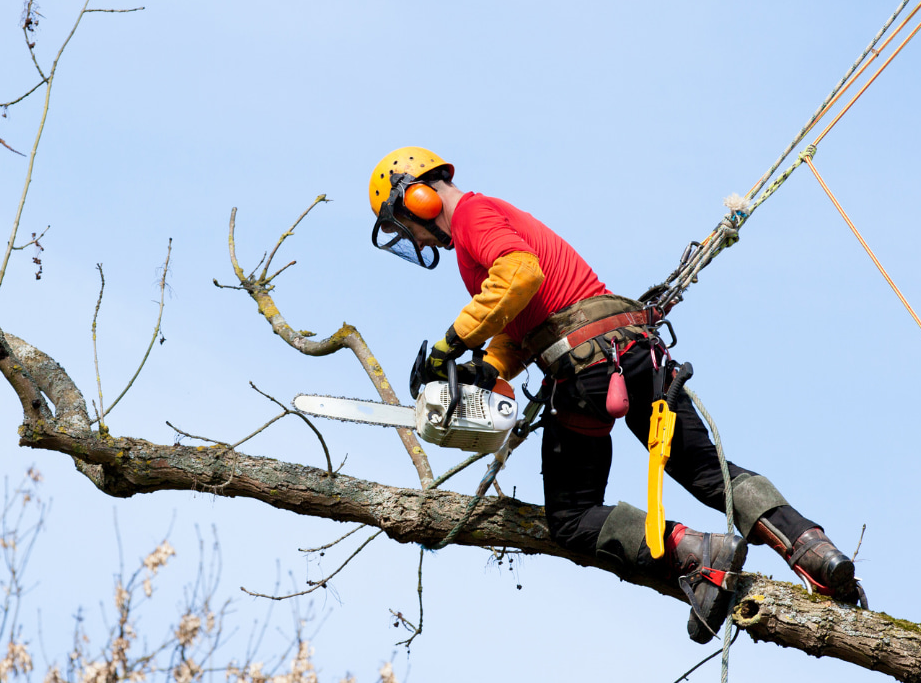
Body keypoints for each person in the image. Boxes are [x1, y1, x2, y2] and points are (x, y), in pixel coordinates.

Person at [368, 147, 864, 642]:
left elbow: (520, 275)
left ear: (417, 197)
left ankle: (694, 553)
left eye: (402, 225)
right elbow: (521, 319)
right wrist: (488, 366)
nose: (410, 236)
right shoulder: (489, 222)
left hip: (588, 371)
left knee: (573, 516)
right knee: (702, 468)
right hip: (632, 354)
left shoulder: (474, 214)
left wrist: (449, 344)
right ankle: (813, 548)